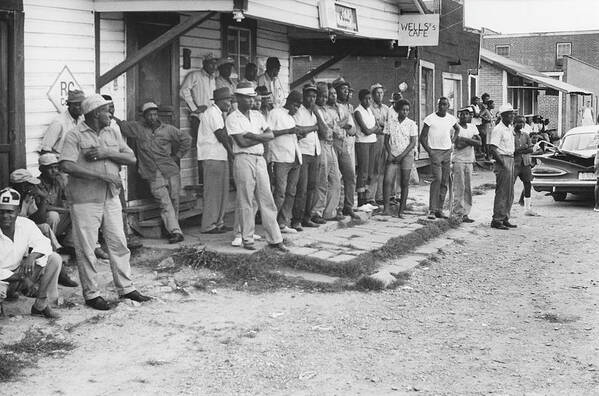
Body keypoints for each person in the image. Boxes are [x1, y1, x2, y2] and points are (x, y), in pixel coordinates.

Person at [60, 94, 150, 310]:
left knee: (118, 242)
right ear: (94, 114)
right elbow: (66, 165)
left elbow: (131, 158)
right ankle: (92, 294)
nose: (111, 113)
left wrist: (106, 152)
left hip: (110, 197)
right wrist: (101, 176)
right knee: (87, 248)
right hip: (85, 199)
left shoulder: (113, 131)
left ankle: (126, 288)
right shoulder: (74, 135)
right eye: (107, 110)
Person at [117, 102, 191, 244]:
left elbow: (186, 139)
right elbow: (122, 124)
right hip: (152, 172)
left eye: (155, 114)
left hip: (170, 170)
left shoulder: (168, 129)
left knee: (174, 199)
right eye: (149, 115)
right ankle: (175, 231)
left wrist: (178, 156)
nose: (152, 117)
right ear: (144, 116)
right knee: (164, 201)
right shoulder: (138, 129)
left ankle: (172, 229)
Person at [225, 81, 287, 252]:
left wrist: (253, 135)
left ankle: (275, 239)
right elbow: (242, 142)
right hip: (243, 159)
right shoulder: (232, 118)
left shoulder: (258, 115)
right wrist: (260, 136)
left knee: (266, 198)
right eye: (247, 98)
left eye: (252, 98)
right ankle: (247, 238)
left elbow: (271, 134)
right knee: (245, 199)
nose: (251, 101)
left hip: (259, 158)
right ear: (238, 98)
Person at [0, 188, 62, 319]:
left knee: (54, 259)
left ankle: (40, 305)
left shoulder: (25, 224)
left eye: (10, 212)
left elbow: (45, 243)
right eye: (1, 212)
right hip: (3, 278)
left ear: (18, 211)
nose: (5, 216)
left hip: (20, 272)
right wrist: (21, 278)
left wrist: (32, 256)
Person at [197, 87, 234, 234]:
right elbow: (221, 135)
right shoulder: (212, 113)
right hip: (212, 156)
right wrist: (232, 153)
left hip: (220, 156)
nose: (229, 103)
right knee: (213, 192)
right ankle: (209, 225)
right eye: (227, 100)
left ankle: (219, 222)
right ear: (219, 101)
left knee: (222, 191)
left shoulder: (219, 113)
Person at [419, 97, 460, 219]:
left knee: (444, 181)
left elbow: (457, 129)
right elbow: (422, 137)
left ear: (448, 106)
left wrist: (453, 140)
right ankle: (432, 210)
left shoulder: (451, 118)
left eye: (445, 105)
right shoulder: (430, 118)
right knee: (437, 179)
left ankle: (439, 209)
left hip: (447, 151)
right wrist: (430, 151)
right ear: (437, 105)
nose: (442, 107)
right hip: (435, 152)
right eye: (440, 104)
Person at [268, 91, 302, 233]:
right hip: (280, 158)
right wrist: (288, 131)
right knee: (279, 192)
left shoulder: (291, 117)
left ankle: (283, 223)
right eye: (295, 105)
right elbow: (269, 133)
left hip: (295, 157)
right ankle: (271, 224)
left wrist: (298, 134)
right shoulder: (275, 113)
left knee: (291, 192)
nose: (296, 109)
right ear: (288, 102)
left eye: (299, 106)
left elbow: (292, 136)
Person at [291, 84, 321, 231]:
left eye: (314, 96)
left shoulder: (314, 114)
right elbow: (298, 130)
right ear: (304, 97)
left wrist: (317, 124)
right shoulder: (299, 112)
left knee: (312, 187)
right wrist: (314, 127)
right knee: (301, 188)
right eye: (309, 96)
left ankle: (307, 217)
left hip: (315, 152)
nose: (311, 99)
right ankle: (296, 220)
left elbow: (322, 129)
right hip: (303, 153)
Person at [382, 98, 418, 217]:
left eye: (407, 110)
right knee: (387, 181)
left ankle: (401, 210)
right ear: (398, 110)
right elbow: (386, 141)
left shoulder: (411, 124)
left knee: (404, 182)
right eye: (403, 110)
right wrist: (390, 154)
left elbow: (412, 143)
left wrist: (402, 156)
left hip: (406, 154)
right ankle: (386, 209)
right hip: (393, 154)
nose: (405, 112)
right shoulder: (390, 123)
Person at [331, 77, 359, 219]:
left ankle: (348, 206)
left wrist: (343, 126)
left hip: (345, 144)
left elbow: (353, 130)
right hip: (332, 143)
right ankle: (336, 208)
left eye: (347, 90)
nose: (345, 92)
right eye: (343, 89)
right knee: (335, 178)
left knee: (350, 175)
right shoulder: (329, 108)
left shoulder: (345, 108)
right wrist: (343, 126)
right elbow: (333, 128)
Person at [313, 83, 342, 221]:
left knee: (336, 179)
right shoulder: (315, 109)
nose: (324, 99)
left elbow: (337, 128)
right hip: (321, 145)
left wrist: (332, 128)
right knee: (322, 180)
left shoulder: (327, 110)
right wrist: (331, 128)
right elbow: (324, 131)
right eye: (322, 96)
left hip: (331, 146)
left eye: (326, 96)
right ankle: (317, 212)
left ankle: (330, 212)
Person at [489, 103, 517, 230]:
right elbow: (493, 149)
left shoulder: (509, 128)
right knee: (502, 191)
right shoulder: (498, 129)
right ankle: (497, 219)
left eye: (513, 113)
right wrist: (503, 163)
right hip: (503, 160)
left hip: (510, 158)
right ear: (503, 116)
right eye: (510, 114)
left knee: (510, 192)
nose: (512, 116)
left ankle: (505, 217)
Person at [179, 53, 219, 144]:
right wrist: (194, 108)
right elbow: (183, 91)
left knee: (211, 143)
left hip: (212, 116)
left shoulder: (213, 79)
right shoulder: (195, 75)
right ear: (204, 63)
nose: (213, 66)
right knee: (200, 143)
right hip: (199, 117)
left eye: (215, 64)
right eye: (210, 63)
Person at [451, 106, 481, 223]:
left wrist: (465, 139)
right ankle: (457, 213)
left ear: (470, 116)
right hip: (458, 160)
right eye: (461, 114)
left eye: (466, 114)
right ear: (458, 115)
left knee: (468, 188)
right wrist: (471, 141)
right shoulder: (455, 127)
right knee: (459, 187)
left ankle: (465, 213)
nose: (464, 116)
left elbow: (479, 142)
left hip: (469, 160)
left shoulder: (473, 127)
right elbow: (457, 144)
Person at [354, 89, 382, 210]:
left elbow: (378, 127)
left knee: (370, 172)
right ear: (361, 99)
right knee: (363, 172)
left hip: (373, 142)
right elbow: (365, 130)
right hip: (362, 143)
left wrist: (373, 129)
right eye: (366, 98)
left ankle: (366, 199)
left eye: (370, 98)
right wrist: (373, 129)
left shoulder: (370, 110)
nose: (368, 101)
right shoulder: (358, 111)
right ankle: (360, 201)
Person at [40, 89, 85, 154]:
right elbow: (45, 150)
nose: (81, 107)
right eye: (78, 104)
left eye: (83, 104)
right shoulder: (59, 123)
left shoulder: (82, 120)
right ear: (69, 105)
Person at [513, 115, 539, 217]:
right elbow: (511, 150)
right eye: (519, 122)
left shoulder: (526, 135)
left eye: (523, 122)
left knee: (528, 184)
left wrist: (522, 149)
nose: (521, 124)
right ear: (514, 123)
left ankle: (527, 208)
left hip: (526, 163)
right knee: (511, 185)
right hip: (515, 163)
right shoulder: (511, 134)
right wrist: (524, 149)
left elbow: (531, 149)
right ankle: (507, 209)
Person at [370, 83, 389, 205]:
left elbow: (388, 124)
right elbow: (374, 125)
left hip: (385, 139)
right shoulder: (370, 108)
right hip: (374, 139)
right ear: (372, 94)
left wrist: (382, 125)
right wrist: (381, 125)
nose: (380, 95)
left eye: (382, 93)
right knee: (374, 168)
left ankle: (380, 196)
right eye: (377, 93)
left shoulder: (386, 108)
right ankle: (370, 197)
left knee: (383, 168)